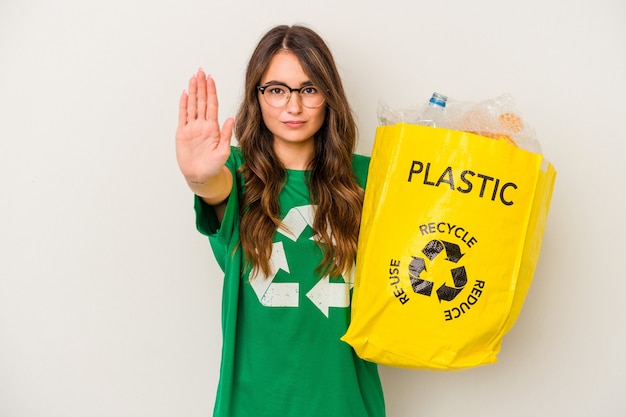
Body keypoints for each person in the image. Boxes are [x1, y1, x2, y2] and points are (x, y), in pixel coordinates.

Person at [175, 24, 385, 417]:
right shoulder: (234, 171)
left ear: (329, 96)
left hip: (346, 403)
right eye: (276, 90)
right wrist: (198, 176)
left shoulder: (370, 179)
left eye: (309, 89)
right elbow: (213, 186)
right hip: (254, 405)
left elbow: (439, 222)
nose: (294, 106)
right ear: (257, 96)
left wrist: (484, 153)